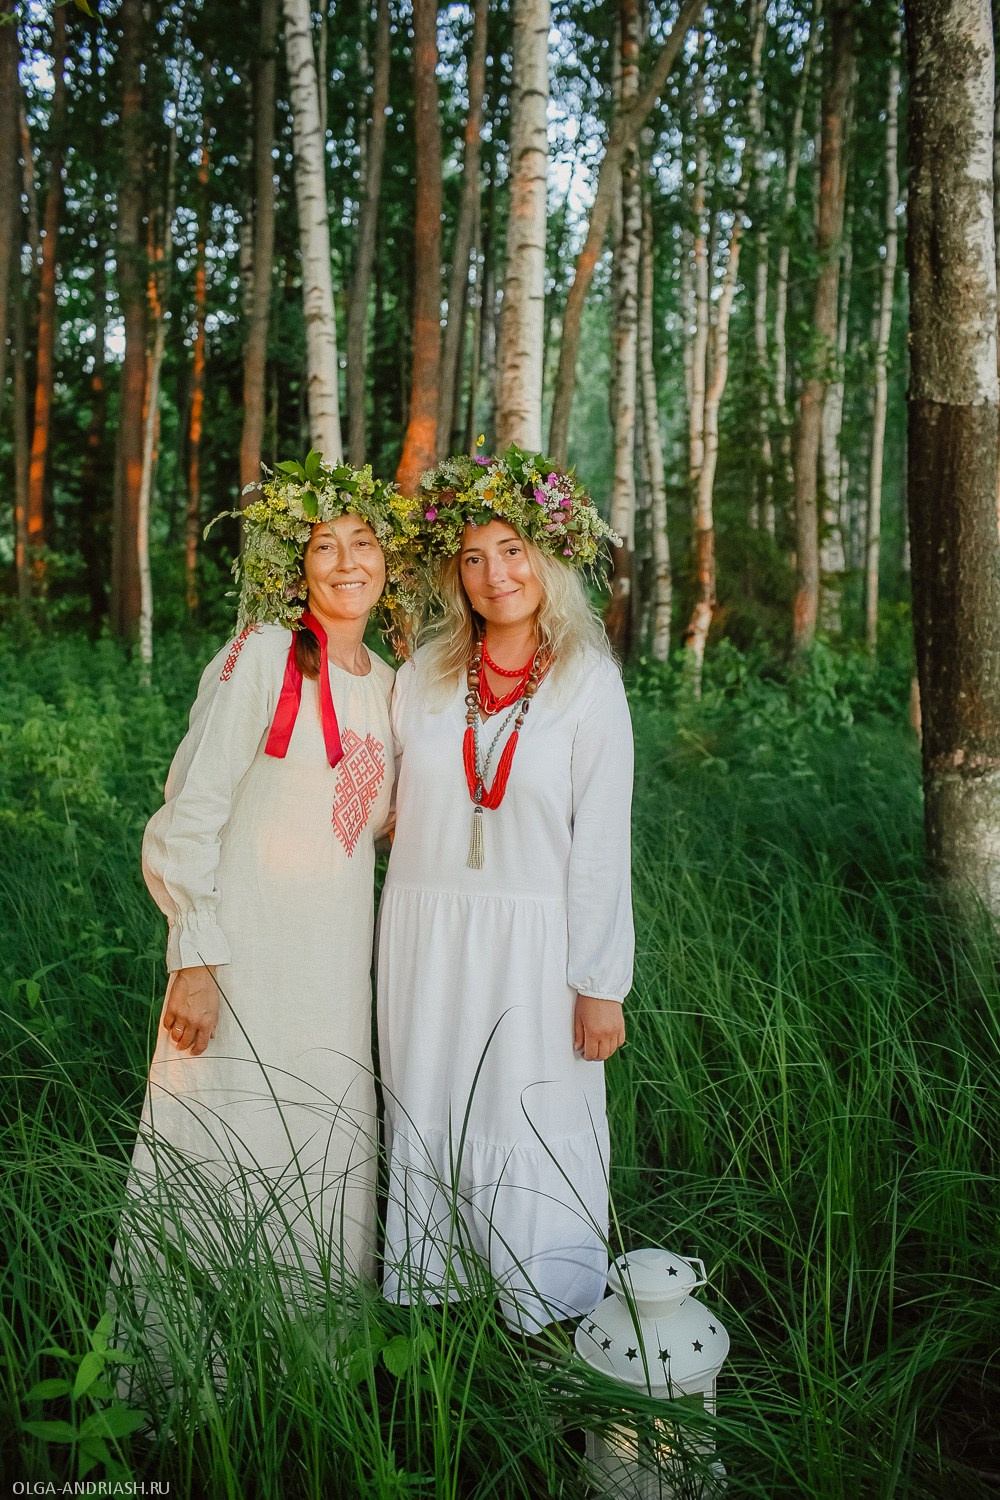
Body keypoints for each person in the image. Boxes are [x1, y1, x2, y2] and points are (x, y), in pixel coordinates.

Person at [112, 460, 402, 1381]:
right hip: (241, 961)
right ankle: (189, 1382)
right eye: (326, 545)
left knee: (321, 1142)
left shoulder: (389, 683)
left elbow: (372, 822)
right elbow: (189, 810)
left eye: (363, 542)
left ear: (388, 561)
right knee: (226, 1139)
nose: (347, 561)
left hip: (334, 972)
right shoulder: (265, 653)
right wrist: (195, 957)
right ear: (298, 565)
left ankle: (309, 1375)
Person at [377, 444, 634, 1334]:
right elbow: (373, 798)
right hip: (423, 935)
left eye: (513, 551)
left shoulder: (587, 682)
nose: (496, 575)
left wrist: (600, 983)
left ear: (547, 557)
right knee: (433, 1101)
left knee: (530, 1110)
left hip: (535, 946)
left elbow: (601, 845)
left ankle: (544, 1312)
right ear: (457, 575)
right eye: (474, 558)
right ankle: (440, 1299)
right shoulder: (421, 676)